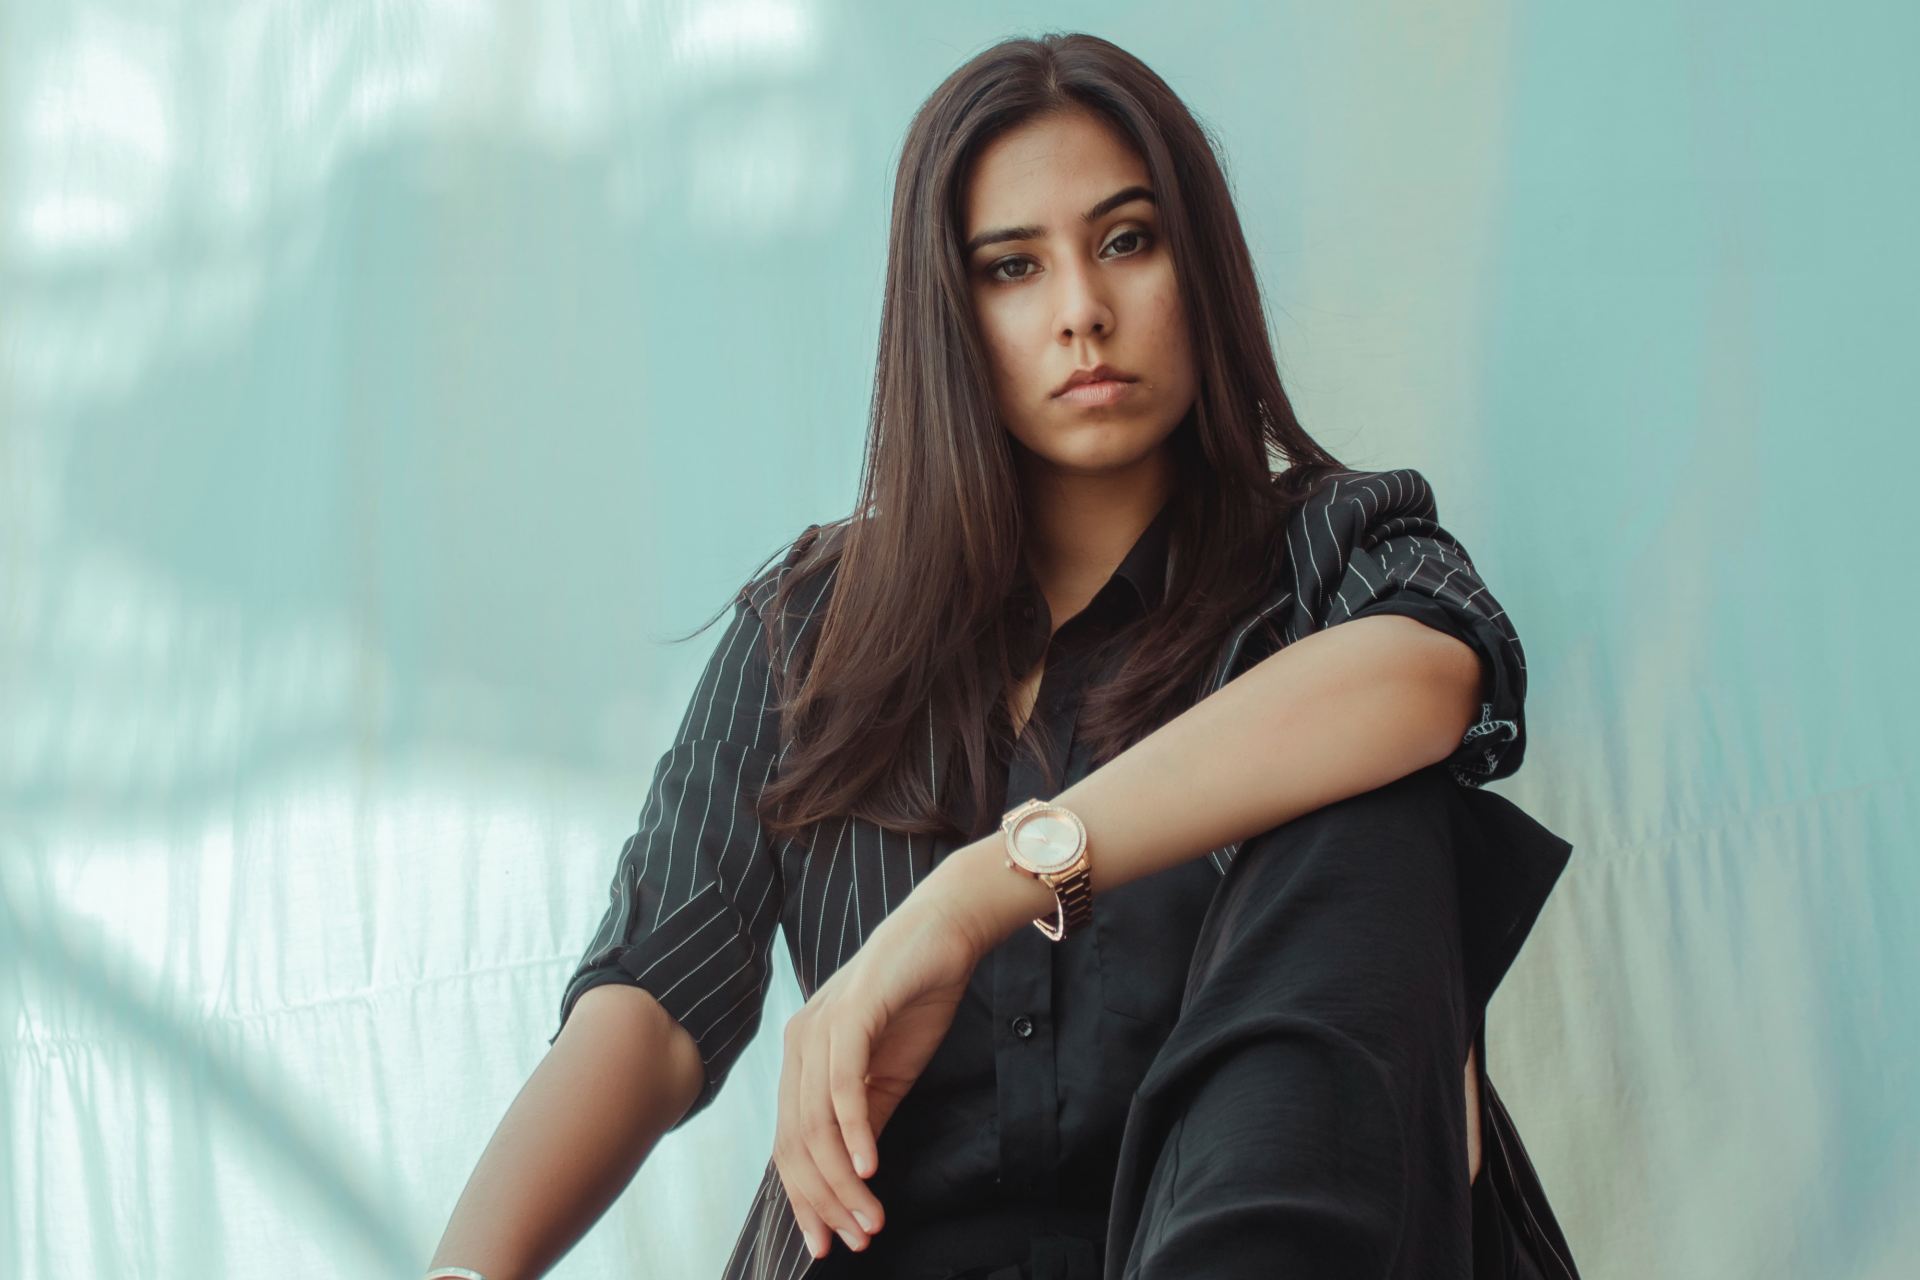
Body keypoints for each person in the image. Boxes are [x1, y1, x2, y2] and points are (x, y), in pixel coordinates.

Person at [427, 31, 1580, 1280]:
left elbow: (1425, 677)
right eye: (1012, 268)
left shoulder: (1328, 555)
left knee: (1374, 803)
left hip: (1264, 1233)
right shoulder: (809, 626)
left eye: (1127, 241)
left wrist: (975, 894)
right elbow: (651, 1003)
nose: (1082, 308)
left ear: (1202, 269)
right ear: (949, 315)